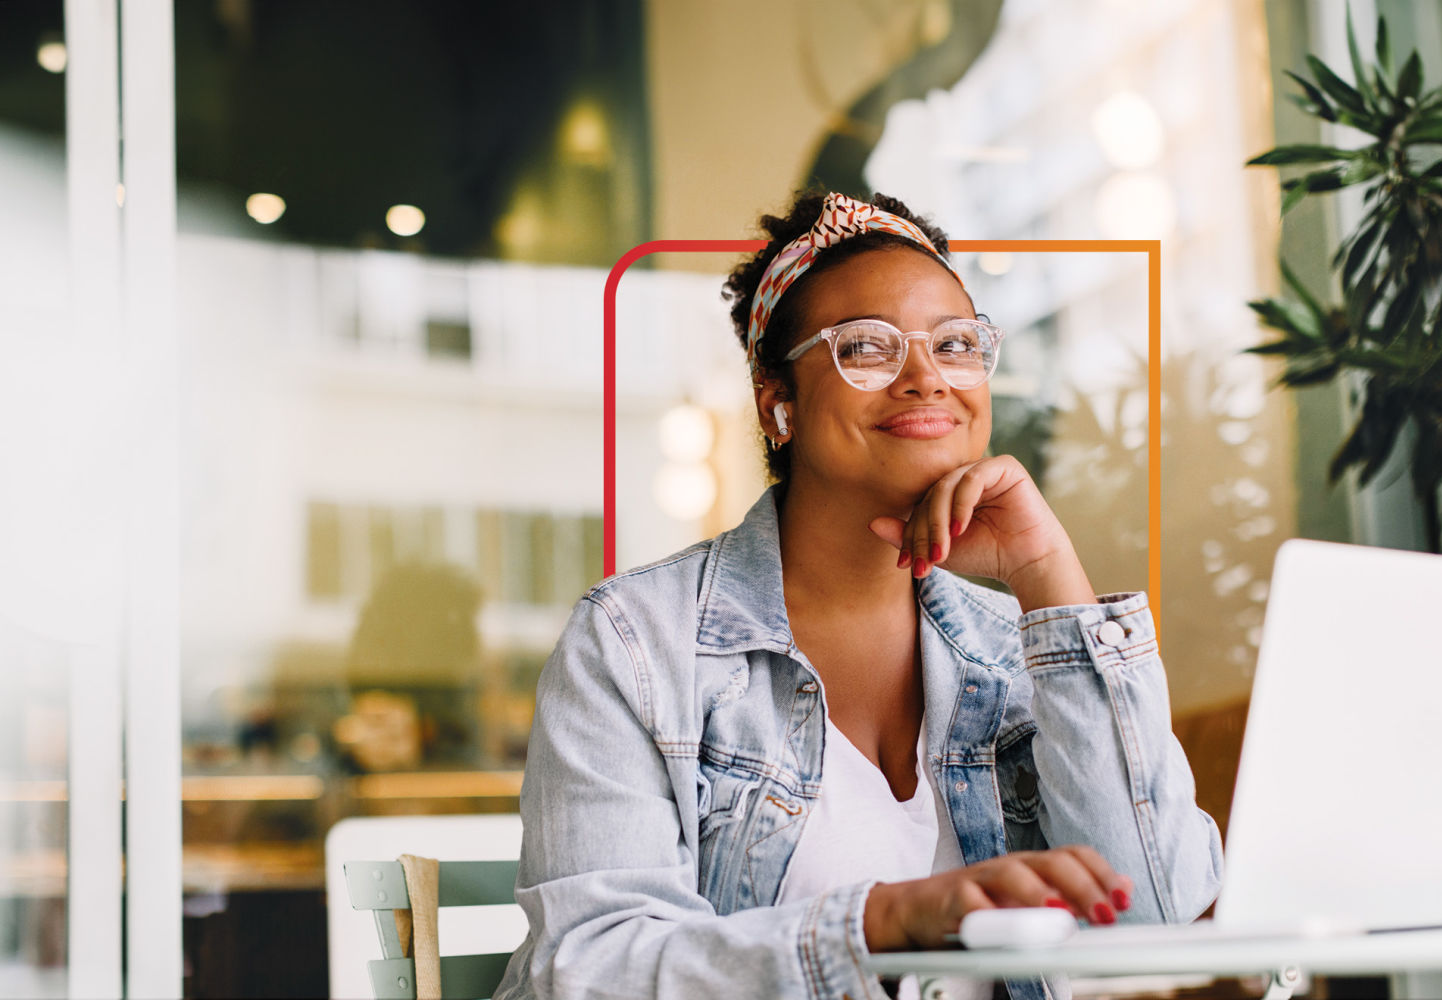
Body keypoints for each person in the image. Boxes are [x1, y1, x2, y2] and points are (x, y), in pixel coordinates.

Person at [495, 191, 1222, 1000]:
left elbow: (1151, 918)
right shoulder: (635, 643)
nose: (926, 379)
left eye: (954, 344)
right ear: (779, 405)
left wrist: (1046, 574)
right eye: (866, 349)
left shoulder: (1013, 645)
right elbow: (590, 969)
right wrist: (881, 922)